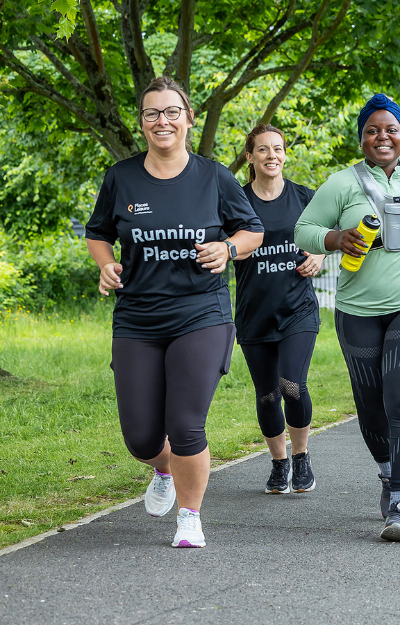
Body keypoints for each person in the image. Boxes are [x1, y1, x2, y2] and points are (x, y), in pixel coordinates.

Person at [85, 77, 264, 548]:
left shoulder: (214, 177)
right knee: (142, 438)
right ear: (142, 122)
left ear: (187, 118)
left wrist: (227, 248)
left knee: (186, 423)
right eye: (151, 113)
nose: (161, 121)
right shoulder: (121, 177)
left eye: (171, 112)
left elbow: (252, 230)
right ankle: (162, 469)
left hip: (200, 313)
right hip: (138, 317)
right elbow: (98, 233)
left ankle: (190, 517)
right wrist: (106, 265)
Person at [294, 93, 400, 542]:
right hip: (357, 308)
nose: (382, 137)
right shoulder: (341, 183)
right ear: (362, 139)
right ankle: (389, 474)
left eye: (391, 129)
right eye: (372, 130)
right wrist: (334, 237)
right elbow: (303, 230)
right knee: (371, 409)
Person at [234, 123, 324, 495]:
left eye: (278, 148)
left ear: (285, 154)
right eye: (263, 150)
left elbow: (328, 233)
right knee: (267, 394)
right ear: (250, 157)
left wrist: (319, 254)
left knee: (292, 385)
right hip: (255, 312)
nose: (272, 155)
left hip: (297, 309)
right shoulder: (236, 201)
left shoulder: (305, 197)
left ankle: (301, 456)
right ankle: (278, 462)